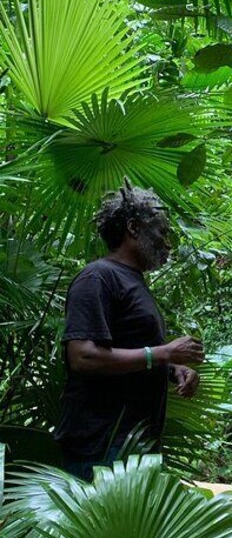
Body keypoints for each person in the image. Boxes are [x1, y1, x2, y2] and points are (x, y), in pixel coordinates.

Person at [55, 182, 202, 482]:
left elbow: (132, 351)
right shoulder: (97, 277)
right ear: (133, 228)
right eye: (162, 232)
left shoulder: (132, 281)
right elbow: (82, 356)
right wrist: (163, 352)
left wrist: (172, 368)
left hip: (133, 448)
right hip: (101, 449)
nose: (168, 242)